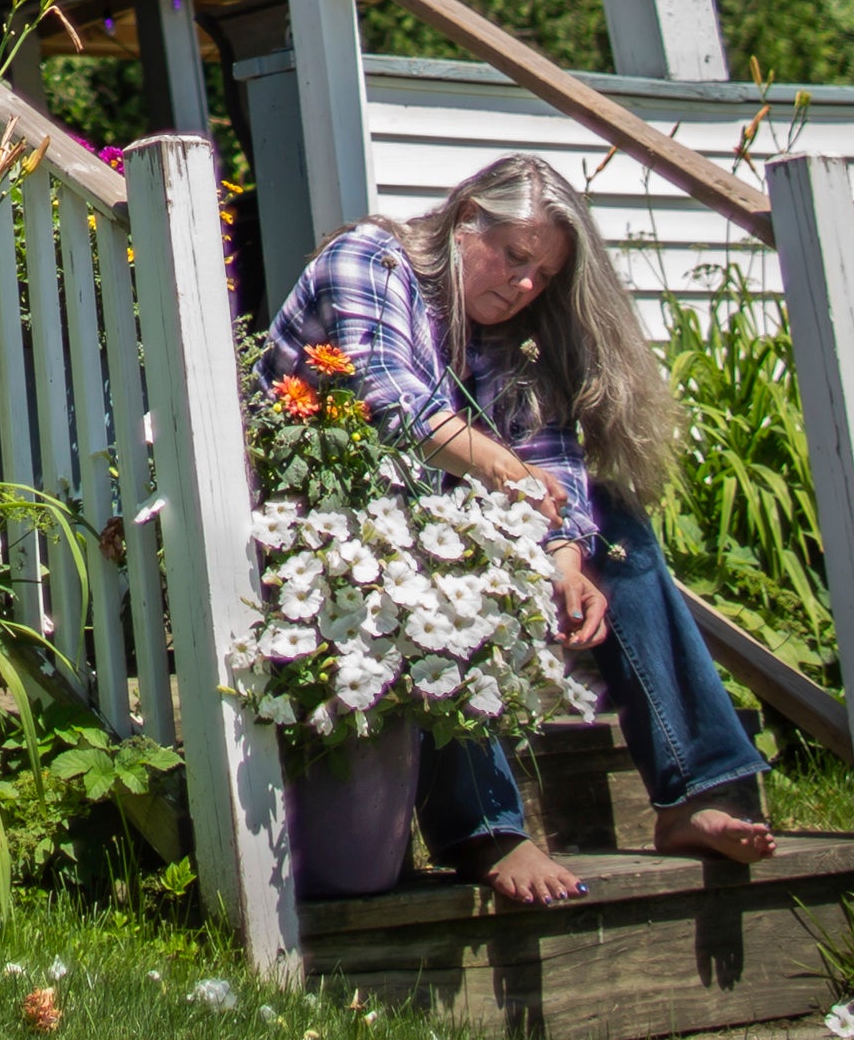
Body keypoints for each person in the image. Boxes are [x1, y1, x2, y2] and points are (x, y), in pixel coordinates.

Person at [263, 154, 778, 905]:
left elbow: (549, 454)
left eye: (543, 274)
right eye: (514, 256)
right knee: (444, 535)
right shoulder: (372, 257)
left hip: (426, 507)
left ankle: (694, 788)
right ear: (466, 217)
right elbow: (388, 401)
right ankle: (489, 827)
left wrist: (569, 560)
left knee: (618, 529)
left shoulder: (515, 329)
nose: (525, 284)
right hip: (318, 519)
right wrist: (509, 479)